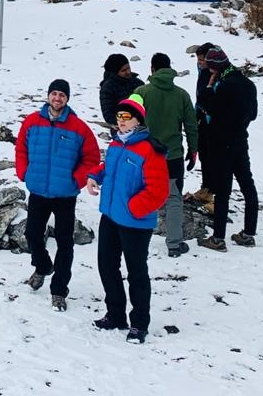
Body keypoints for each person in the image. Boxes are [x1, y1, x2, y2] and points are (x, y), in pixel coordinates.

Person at [87, 95, 169, 344]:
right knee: (107, 266)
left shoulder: (150, 150)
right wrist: (95, 176)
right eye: (118, 117)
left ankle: (139, 324)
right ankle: (115, 315)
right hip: (110, 216)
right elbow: (108, 168)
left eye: (126, 117)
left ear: (137, 121)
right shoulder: (116, 145)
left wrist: (134, 207)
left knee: (136, 273)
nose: (120, 122)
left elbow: (158, 190)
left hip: (135, 222)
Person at [14, 78, 102, 311]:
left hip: (65, 195)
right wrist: (24, 171)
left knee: (65, 243)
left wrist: (76, 179)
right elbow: (21, 147)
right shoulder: (32, 122)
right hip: (39, 191)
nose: (57, 98)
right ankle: (42, 266)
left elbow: (92, 158)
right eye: (54, 94)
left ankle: (59, 291)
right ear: (48, 96)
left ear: (67, 99)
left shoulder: (79, 127)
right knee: (32, 234)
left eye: (62, 95)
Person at [135, 52, 199, 257]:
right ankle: (174, 244)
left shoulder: (140, 92)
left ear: (152, 69)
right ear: (169, 68)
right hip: (173, 157)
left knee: (142, 194)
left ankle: (138, 240)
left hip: (145, 155)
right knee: (173, 198)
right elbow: (191, 126)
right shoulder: (181, 95)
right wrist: (193, 150)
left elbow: (129, 122)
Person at [197, 46, 259, 251]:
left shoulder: (223, 85)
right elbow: (253, 114)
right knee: (247, 186)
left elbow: (209, 106)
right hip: (240, 140)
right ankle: (249, 233)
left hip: (221, 143)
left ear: (215, 67)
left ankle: (218, 239)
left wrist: (208, 87)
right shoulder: (248, 84)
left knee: (223, 191)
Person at [187, 42, 218, 206]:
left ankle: (212, 192)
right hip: (201, 116)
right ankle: (206, 188)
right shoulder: (203, 71)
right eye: (198, 60)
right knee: (204, 154)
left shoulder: (216, 74)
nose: (199, 63)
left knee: (212, 157)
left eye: (202, 60)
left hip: (212, 121)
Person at [98, 53, 143, 129]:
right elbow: (108, 114)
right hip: (120, 130)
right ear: (115, 72)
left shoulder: (138, 83)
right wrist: (126, 122)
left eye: (128, 68)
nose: (128, 72)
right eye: (123, 70)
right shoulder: (108, 87)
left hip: (141, 127)